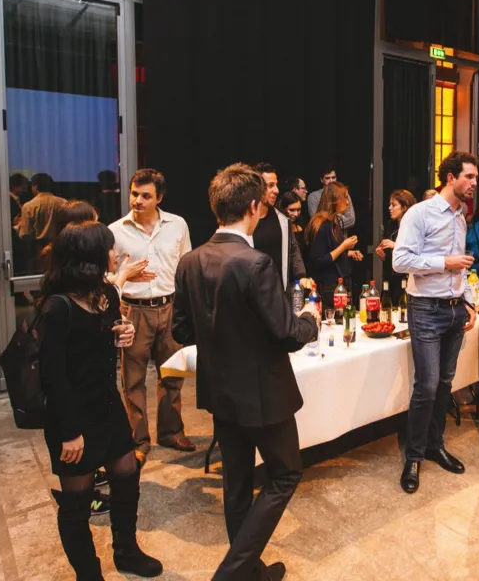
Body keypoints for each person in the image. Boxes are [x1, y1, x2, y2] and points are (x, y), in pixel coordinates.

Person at [172, 163, 320, 581]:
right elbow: (288, 334)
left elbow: (181, 330)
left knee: (236, 484)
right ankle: (233, 573)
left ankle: (251, 573)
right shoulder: (255, 263)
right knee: (285, 474)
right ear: (254, 206)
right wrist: (310, 319)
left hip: (220, 390)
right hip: (263, 394)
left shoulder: (190, 261)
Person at [37, 221, 163, 580]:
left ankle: (126, 551)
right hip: (72, 417)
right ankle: (89, 574)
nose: (114, 254)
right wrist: (69, 433)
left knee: (127, 476)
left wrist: (123, 333)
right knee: (77, 505)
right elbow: (53, 378)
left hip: (107, 406)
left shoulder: (105, 293)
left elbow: (107, 337)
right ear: (89, 256)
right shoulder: (57, 308)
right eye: (108, 248)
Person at [393, 150, 479, 494]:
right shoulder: (420, 213)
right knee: (427, 386)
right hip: (426, 309)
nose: (474, 183)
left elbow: (463, 265)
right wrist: (445, 262)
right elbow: (400, 261)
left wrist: (468, 299)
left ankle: (435, 444)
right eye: (469, 177)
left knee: (445, 383)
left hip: (455, 308)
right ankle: (413, 456)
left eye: (475, 177)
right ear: (451, 178)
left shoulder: (461, 215)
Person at [108, 169, 195, 465]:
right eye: (134, 194)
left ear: (159, 198)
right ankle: (138, 440)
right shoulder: (115, 231)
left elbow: (185, 265)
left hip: (169, 307)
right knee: (132, 380)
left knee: (172, 374)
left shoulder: (177, 225)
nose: (138, 200)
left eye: (146, 196)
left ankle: (171, 432)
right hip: (133, 310)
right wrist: (124, 276)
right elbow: (105, 275)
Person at [305, 182, 363, 307]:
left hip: (339, 283)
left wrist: (349, 252)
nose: (347, 202)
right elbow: (319, 260)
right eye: (345, 197)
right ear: (335, 200)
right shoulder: (321, 225)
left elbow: (331, 249)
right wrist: (344, 246)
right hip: (328, 287)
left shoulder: (335, 222)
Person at [251, 163, 306, 290]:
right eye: (270, 185)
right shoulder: (246, 221)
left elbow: (293, 249)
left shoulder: (282, 219)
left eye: (276, 185)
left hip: (279, 293)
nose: (276, 190)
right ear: (256, 187)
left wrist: (301, 275)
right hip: (253, 292)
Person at [376, 189, 418, 304]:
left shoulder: (414, 226)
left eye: (393, 205)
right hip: (393, 277)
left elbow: (416, 251)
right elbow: (391, 258)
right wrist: (384, 256)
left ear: (404, 207)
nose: (390, 208)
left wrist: (395, 245)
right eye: (390, 205)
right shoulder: (391, 225)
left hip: (409, 278)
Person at [19, 173, 67, 269]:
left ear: (35, 186)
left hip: (39, 249)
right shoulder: (63, 202)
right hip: (61, 246)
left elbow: (25, 234)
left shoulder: (28, 206)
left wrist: (19, 227)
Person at [306, 164, 356, 231]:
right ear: (321, 180)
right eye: (327, 178)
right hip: (323, 235)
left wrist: (328, 223)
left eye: (333, 177)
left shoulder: (344, 194)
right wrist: (339, 217)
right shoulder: (314, 196)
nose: (331, 181)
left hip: (341, 236)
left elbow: (351, 220)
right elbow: (316, 223)